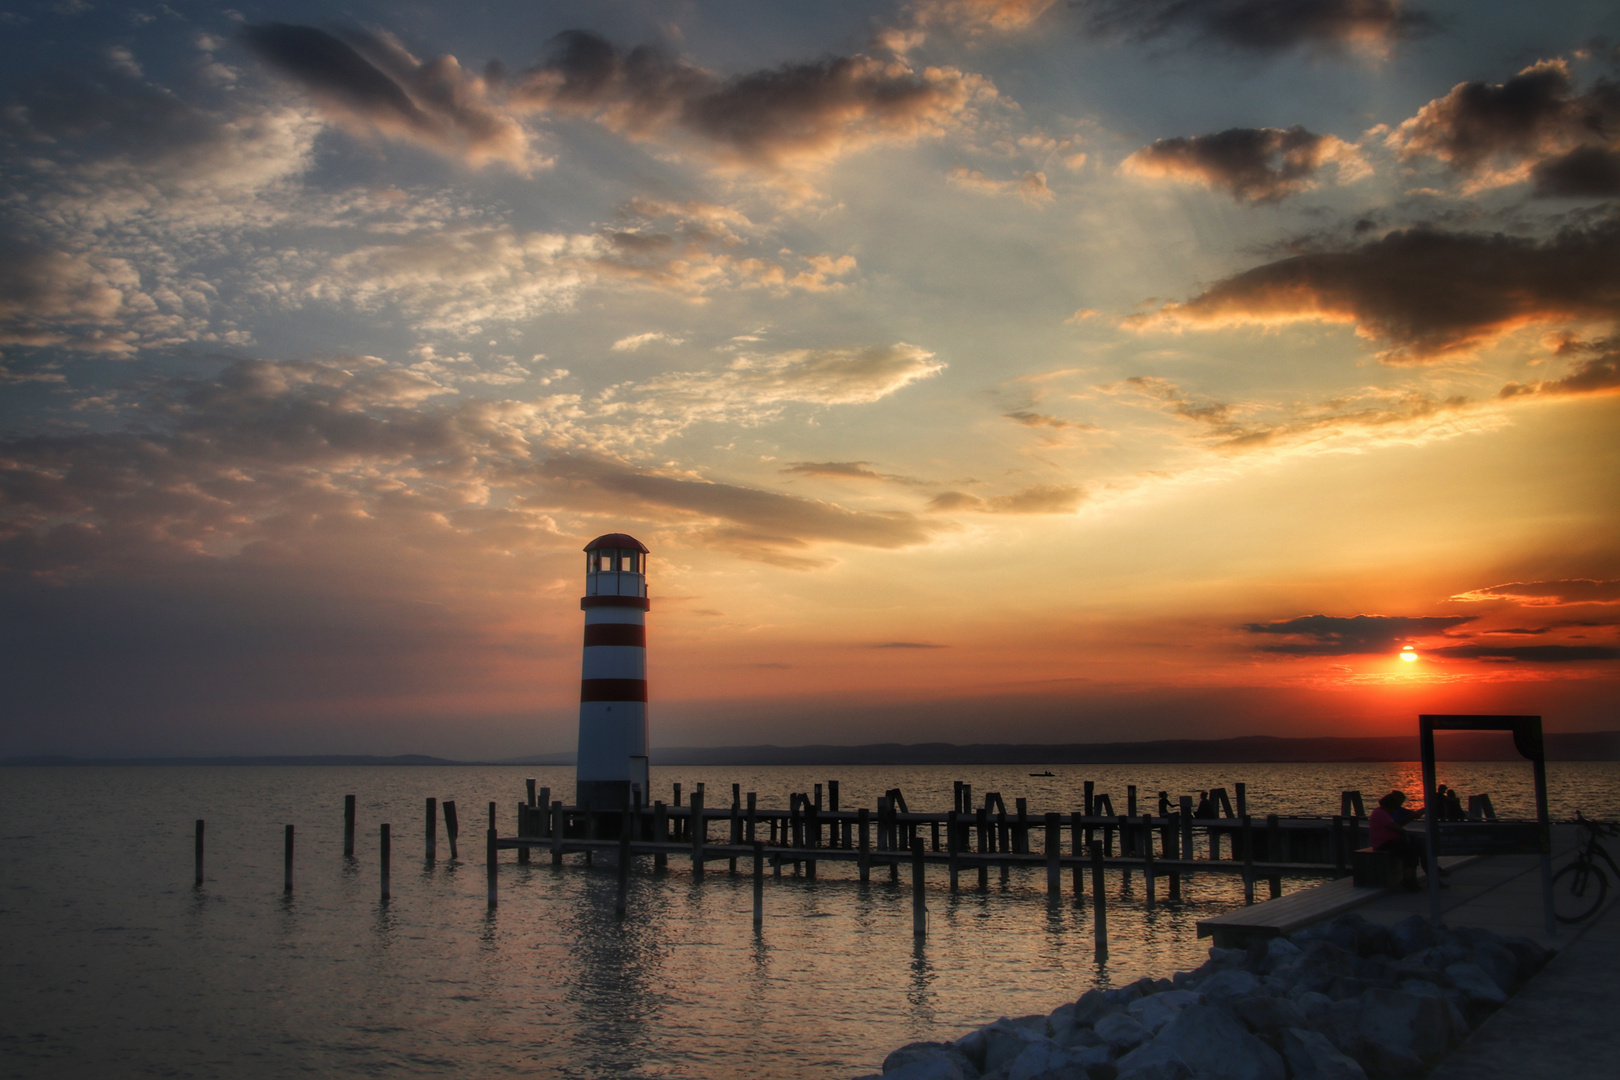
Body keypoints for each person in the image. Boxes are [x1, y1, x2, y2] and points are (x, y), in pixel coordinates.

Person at [1368, 790, 1443, 891]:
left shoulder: (1384, 813)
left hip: (1391, 841)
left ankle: (1423, 877)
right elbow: (1396, 827)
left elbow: (1402, 824)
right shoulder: (1381, 813)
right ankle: (1409, 880)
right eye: (1394, 808)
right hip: (1384, 843)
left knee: (1419, 846)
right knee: (1410, 853)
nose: (1394, 811)